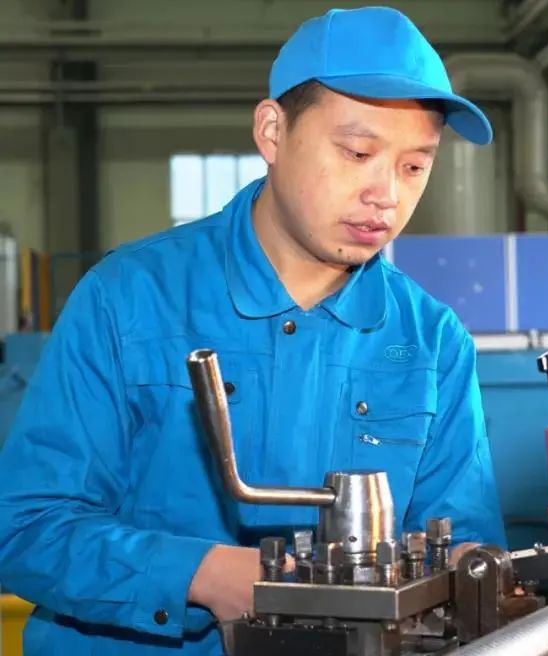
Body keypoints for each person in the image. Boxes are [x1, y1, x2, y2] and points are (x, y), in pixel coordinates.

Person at [0, 6, 507, 655]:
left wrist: (473, 569)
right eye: (357, 153)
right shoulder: (128, 299)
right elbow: (26, 526)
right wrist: (201, 575)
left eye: (415, 166)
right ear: (272, 131)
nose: (386, 193)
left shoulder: (434, 341)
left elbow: (463, 545)